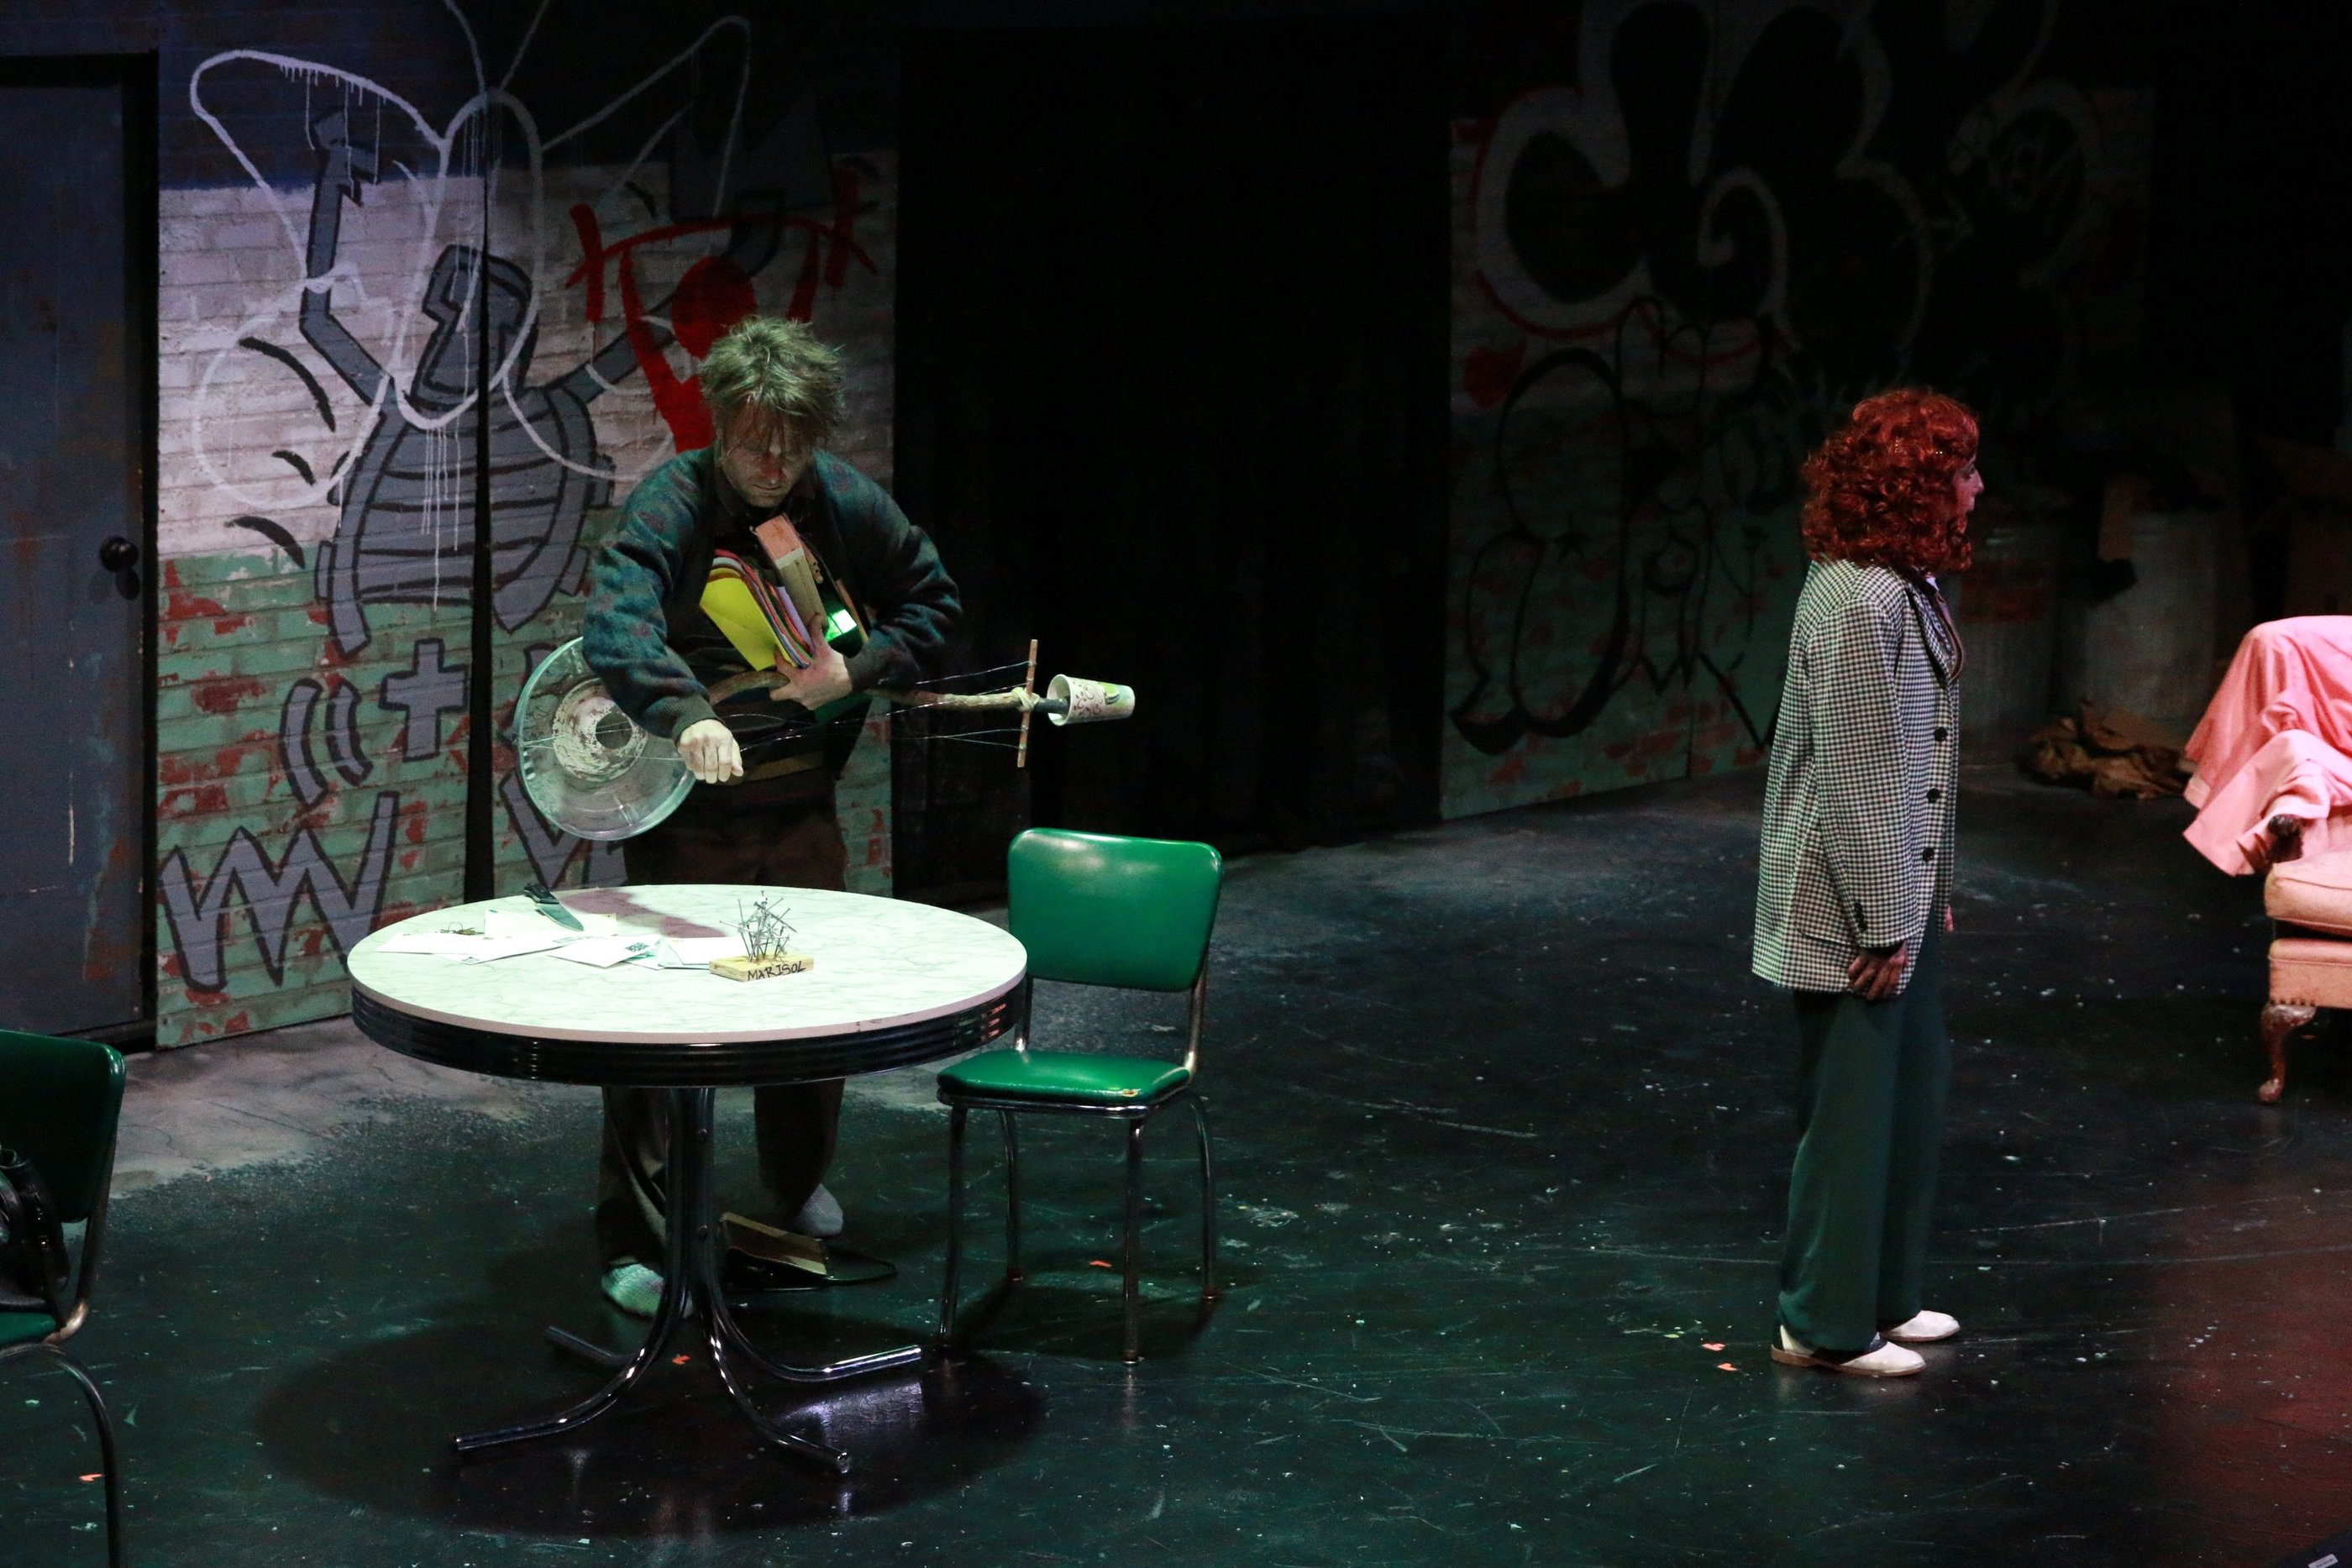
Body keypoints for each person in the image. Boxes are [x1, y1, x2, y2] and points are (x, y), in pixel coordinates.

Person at [581, 315, 960, 1316]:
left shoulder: (839, 499)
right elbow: (614, 626)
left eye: (792, 446)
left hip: (799, 805)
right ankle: (637, 1237)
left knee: (805, 1006)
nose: (772, 465)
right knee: (659, 1028)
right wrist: (686, 714)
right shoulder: (672, 502)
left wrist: (859, 670)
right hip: (689, 814)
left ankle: (793, 1186)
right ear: (722, 425)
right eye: (755, 443)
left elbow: (933, 603)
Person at [1751, 387, 1978, 1377]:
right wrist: (1885, 918)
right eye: (1962, 471)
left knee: (1908, 1097)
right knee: (1849, 1117)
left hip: (1897, 891)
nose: (1977, 487)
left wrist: (1926, 890)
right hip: (1850, 903)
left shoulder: (1903, 582)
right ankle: (1821, 1323)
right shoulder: (1858, 598)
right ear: (1915, 486)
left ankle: (1883, 1293)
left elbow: (1917, 758)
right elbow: (1856, 774)